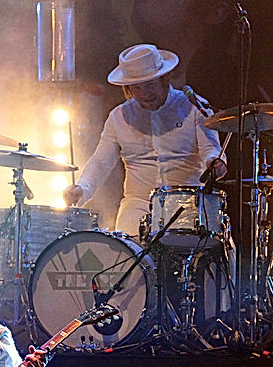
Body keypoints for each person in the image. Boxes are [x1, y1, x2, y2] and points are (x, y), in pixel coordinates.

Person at [63, 43, 226, 237]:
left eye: (150, 85)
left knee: (196, 244)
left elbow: (211, 149)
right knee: (125, 246)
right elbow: (101, 162)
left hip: (189, 200)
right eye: (137, 87)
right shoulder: (119, 117)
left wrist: (214, 163)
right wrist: (82, 188)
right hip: (137, 202)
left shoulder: (194, 107)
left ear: (165, 78)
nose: (145, 93)